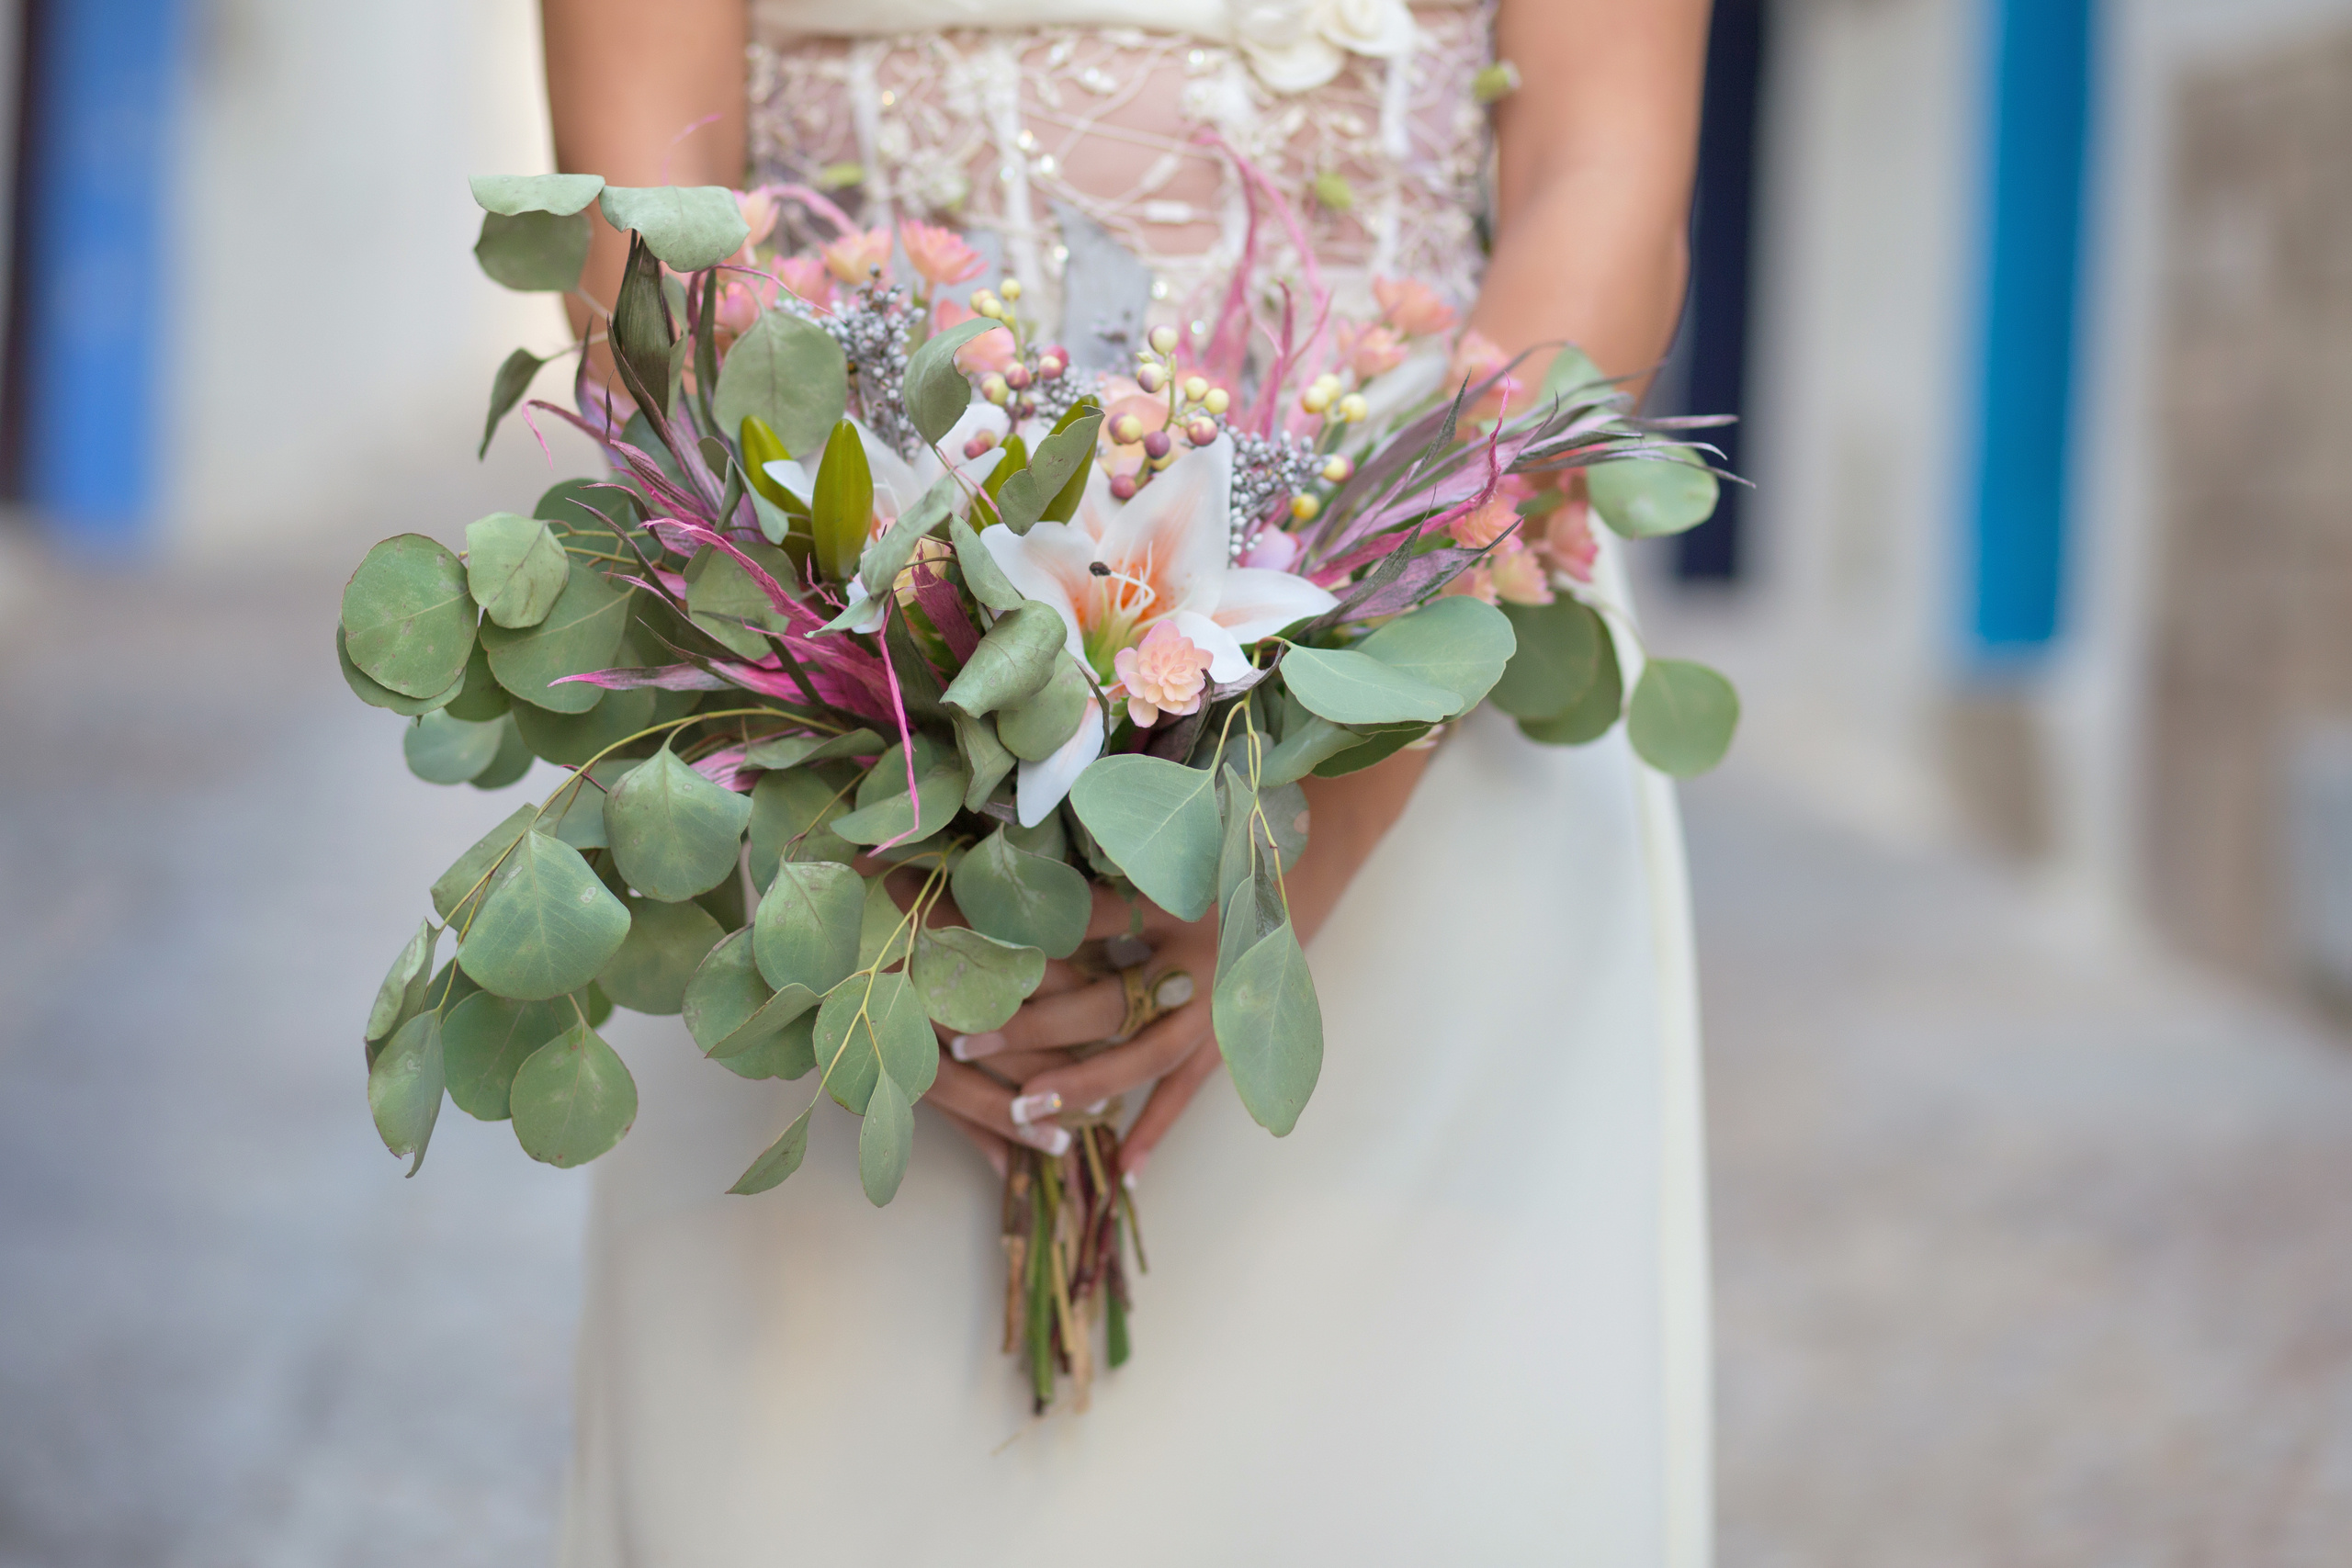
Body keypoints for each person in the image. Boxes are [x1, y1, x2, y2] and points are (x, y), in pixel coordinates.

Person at [543, 1, 1714, 1561]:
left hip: (1428, 727)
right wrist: (885, 800)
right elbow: (638, 236)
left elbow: (1603, 176)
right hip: (831, 741)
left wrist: (1329, 798)